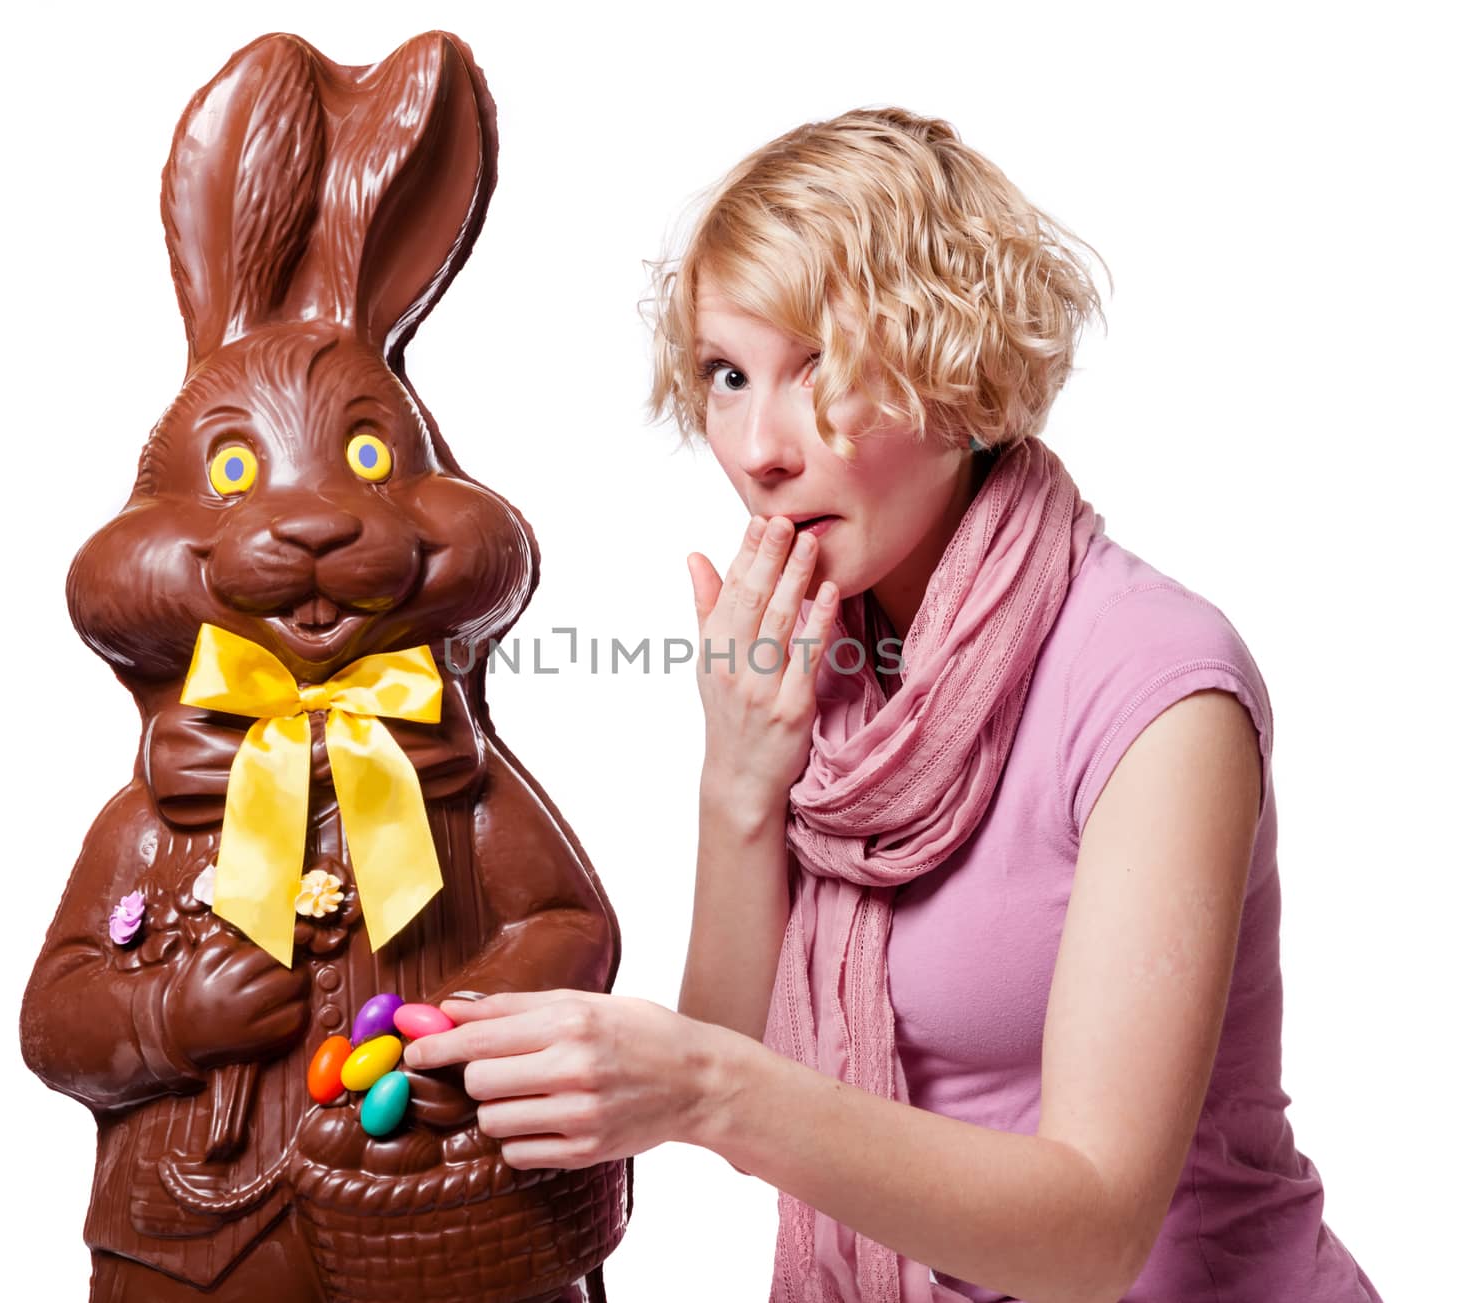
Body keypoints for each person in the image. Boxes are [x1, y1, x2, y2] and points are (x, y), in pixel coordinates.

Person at [402, 109, 1384, 1302]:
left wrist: (703, 1084)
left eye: (818, 368)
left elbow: (1092, 1235)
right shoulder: (830, 642)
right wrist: (740, 775)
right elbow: (739, 1045)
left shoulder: (1159, 684)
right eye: (727, 374)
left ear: (956, 374)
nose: (757, 447)